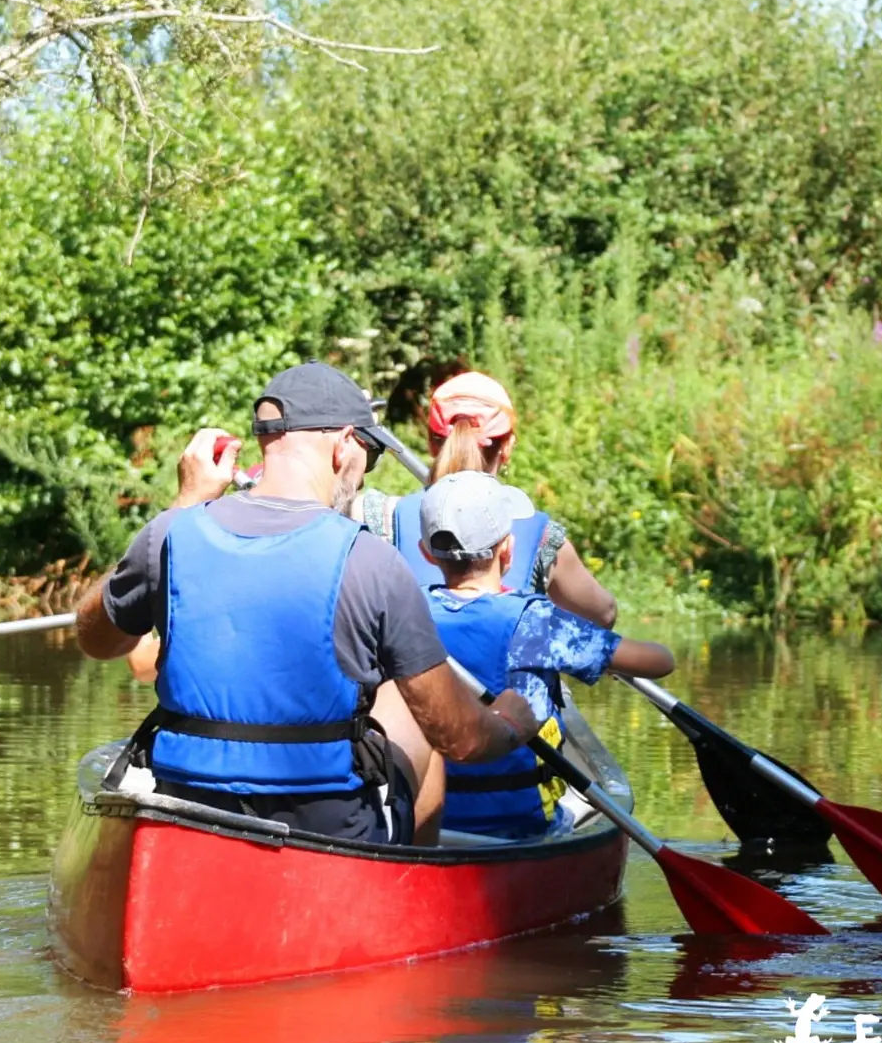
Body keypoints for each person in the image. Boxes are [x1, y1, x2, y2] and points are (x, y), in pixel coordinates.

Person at [74, 361, 539, 846]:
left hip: (189, 811)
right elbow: (460, 737)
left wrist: (183, 502)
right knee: (410, 703)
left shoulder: (170, 533)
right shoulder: (372, 561)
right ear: (343, 445)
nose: (363, 475)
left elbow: (97, 641)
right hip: (326, 831)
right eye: (369, 455)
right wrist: (510, 723)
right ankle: (409, 887)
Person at [415, 470, 675, 839]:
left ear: (426, 553)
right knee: (571, 810)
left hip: (431, 825)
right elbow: (659, 662)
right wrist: (598, 660)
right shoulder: (536, 621)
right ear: (508, 549)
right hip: (521, 827)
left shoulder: (405, 610)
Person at [358, 371, 618, 627]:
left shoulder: (380, 516)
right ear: (507, 447)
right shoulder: (542, 536)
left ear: (431, 443)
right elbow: (604, 614)